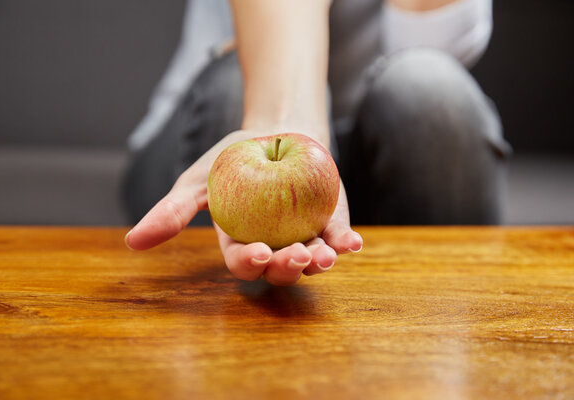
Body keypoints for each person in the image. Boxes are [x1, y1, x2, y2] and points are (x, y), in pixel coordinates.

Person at [123, 0, 511, 286]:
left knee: (432, 93)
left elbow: (426, 49)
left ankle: (445, 334)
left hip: (351, 156)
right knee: (234, 91)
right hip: (216, 123)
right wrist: (284, 121)